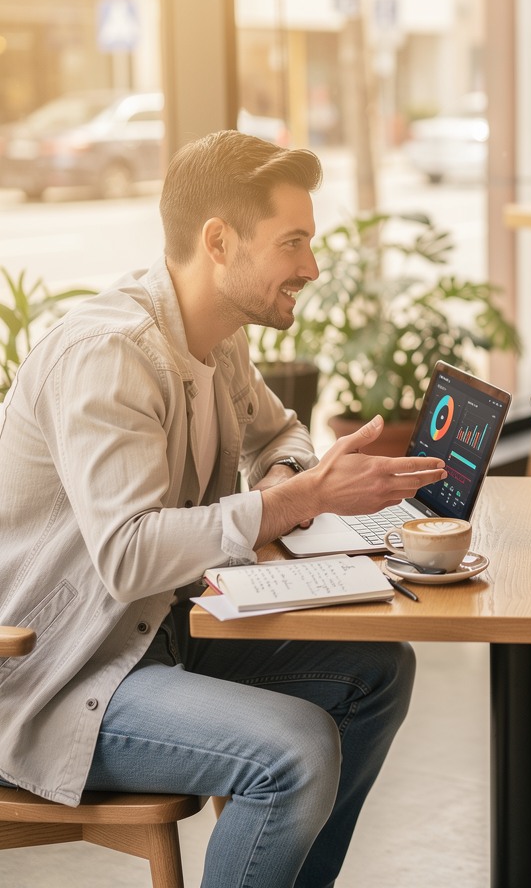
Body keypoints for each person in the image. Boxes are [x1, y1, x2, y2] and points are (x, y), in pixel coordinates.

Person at [0, 130, 448, 888]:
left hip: (155, 639)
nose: (311, 267)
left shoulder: (217, 339)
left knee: (377, 671)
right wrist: (295, 500)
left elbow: (282, 432)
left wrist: (283, 479)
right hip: (61, 673)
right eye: (293, 243)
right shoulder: (110, 356)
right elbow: (129, 553)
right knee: (295, 748)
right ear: (218, 241)